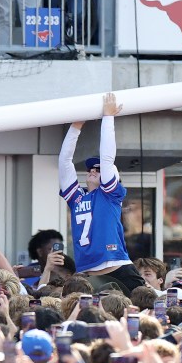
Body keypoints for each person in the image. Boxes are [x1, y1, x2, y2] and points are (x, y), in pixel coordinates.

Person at [59, 92, 147, 292]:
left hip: (119, 270)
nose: (93, 171)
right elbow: (64, 161)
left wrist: (108, 117)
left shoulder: (110, 194)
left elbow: (107, 159)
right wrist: (76, 127)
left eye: (98, 170)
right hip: (89, 275)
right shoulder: (77, 198)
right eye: (91, 168)